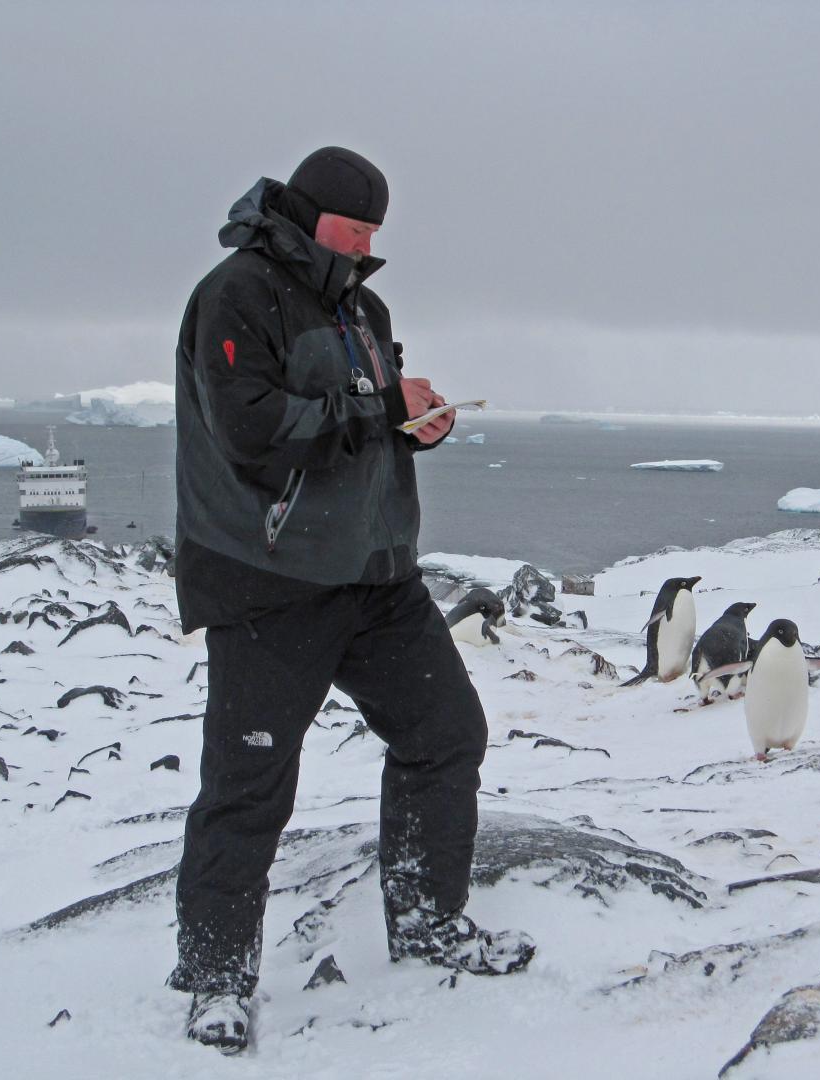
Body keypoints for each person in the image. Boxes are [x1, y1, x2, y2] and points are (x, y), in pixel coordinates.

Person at [168, 147, 534, 1054]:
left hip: (376, 576)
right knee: (249, 786)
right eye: (356, 224)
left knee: (446, 735)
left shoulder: (362, 308)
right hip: (271, 584)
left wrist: (416, 425)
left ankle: (427, 922)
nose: (370, 242)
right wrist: (378, 408)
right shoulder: (237, 293)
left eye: (378, 228)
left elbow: (367, 424)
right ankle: (216, 980)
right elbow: (252, 430)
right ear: (306, 210)